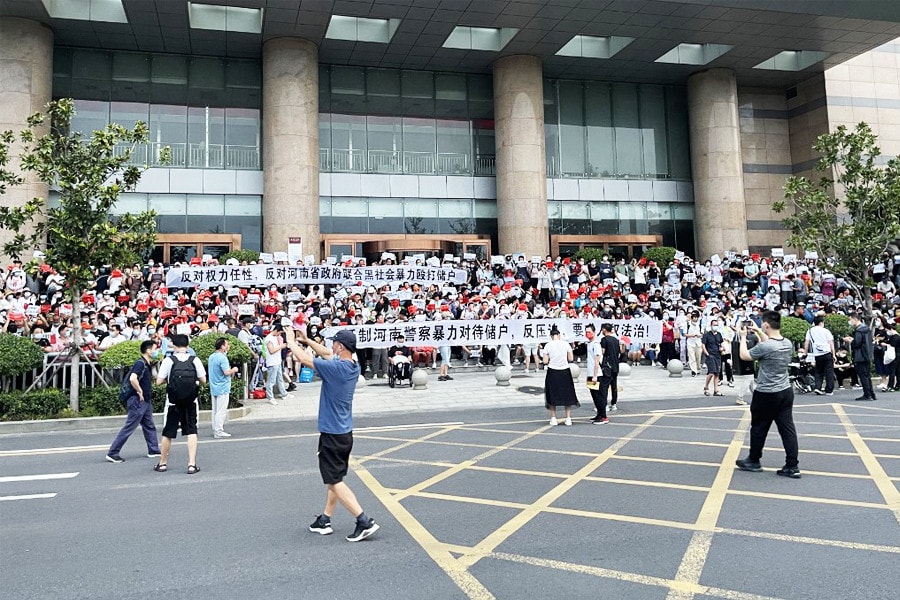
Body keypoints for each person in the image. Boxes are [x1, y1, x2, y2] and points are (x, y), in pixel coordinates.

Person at [283, 326, 380, 542]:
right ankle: (325, 519)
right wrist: (307, 340)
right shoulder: (351, 365)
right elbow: (325, 353)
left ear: (341, 346)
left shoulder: (336, 369)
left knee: (334, 480)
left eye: (334, 342)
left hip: (333, 433)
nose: (331, 346)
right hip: (344, 432)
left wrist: (290, 341)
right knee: (334, 478)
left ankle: (363, 521)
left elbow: (305, 360)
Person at [736, 310, 800, 479]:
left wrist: (742, 337)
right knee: (787, 428)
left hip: (766, 392)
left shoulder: (766, 346)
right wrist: (758, 331)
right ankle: (792, 465)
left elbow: (744, 355)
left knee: (758, 427)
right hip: (785, 391)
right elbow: (769, 343)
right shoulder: (787, 342)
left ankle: (754, 460)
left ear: (766, 324)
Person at [155, 334, 207, 474]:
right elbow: (203, 380)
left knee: (168, 432)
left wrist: (171, 381)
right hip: (191, 401)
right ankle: (191, 464)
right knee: (191, 431)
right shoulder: (194, 360)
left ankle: (162, 463)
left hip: (173, 401)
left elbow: (159, 381)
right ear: (187, 346)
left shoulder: (168, 360)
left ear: (174, 346)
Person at [106, 339, 161, 463]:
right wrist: (140, 391)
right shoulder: (140, 363)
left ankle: (153, 449)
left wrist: (154, 365)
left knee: (149, 426)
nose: (156, 351)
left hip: (145, 401)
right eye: (154, 349)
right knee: (129, 427)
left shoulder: (146, 364)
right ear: (148, 351)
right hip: (137, 400)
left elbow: (154, 377)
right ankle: (113, 452)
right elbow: (133, 378)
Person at [541, 325, 578, 426]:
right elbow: (571, 358)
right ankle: (568, 418)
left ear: (551, 336)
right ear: (559, 335)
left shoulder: (548, 345)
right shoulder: (565, 344)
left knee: (552, 393)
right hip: (565, 371)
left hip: (552, 371)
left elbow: (544, 361)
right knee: (567, 394)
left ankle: (553, 418)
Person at [208, 336, 239, 438]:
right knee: (221, 411)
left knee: (215, 410)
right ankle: (219, 431)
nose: (228, 346)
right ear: (222, 346)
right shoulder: (222, 358)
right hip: (223, 387)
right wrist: (234, 369)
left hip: (214, 386)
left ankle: (215, 428)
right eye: (227, 344)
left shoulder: (212, 357)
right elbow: (226, 372)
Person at [845, 312, 876, 401]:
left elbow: (856, 344)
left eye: (850, 319)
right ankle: (871, 394)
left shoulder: (859, 330)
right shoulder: (866, 329)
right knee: (867, 375)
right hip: (867, 355)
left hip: (860, 356)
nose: (850, 321)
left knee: (863, 376)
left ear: (855, 319)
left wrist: (850, 341)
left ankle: (867, 394)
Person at [804, 314, 835, 396]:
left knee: (819, 371)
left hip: (817, 354)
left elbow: (807, 342)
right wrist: (834, 354)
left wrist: (805, 352)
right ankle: (829, 390)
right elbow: (831, 343)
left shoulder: (810, 331)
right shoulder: (826, 331)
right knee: (829, 372)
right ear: (821, 323)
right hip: (827, 353)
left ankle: (818, 387)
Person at [585, 324, 608, 424]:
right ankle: (599, 414)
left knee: (599, 396)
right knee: (594, 395)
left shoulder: (596, 344)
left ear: (594, 332)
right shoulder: (589, 344)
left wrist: (595, 375)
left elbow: (597, 361)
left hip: (597, 374)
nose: (587, 334)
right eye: (586, 332)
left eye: (589, 332)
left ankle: (604, 417)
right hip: (590, 373)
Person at [598, 322, 621, 412]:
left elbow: (602, 352)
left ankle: (605, 405)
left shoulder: (604, 340)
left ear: (604, 329)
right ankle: (614, 404)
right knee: (614, 386)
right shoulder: (616, 340)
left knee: (604, 386)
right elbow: (619, 352)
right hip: (615, 365)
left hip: (607, 366)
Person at [264, 323, 287, 405]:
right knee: (271, 381)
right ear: (276, 331)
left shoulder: (274, 337)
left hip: (277, 361)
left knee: (280, 379)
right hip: (272, 362)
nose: (279, 334)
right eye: (279, 332)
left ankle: (284, 393)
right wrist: (281, 346)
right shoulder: (269, 339)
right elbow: (271, 350)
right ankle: (270, 397)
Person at [701, 317, 725, 397]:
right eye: (714, 325)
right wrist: (706, 353)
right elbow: (703, 345)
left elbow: (721, 343)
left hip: (717, 355)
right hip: (710, 355)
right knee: (711, 372)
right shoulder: (707, 335)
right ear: (711, 325)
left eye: (717, 325)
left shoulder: (719, 334)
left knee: (717, 373)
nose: (715, 327)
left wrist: (722, 348)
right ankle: (706, 387)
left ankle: (716, 390)